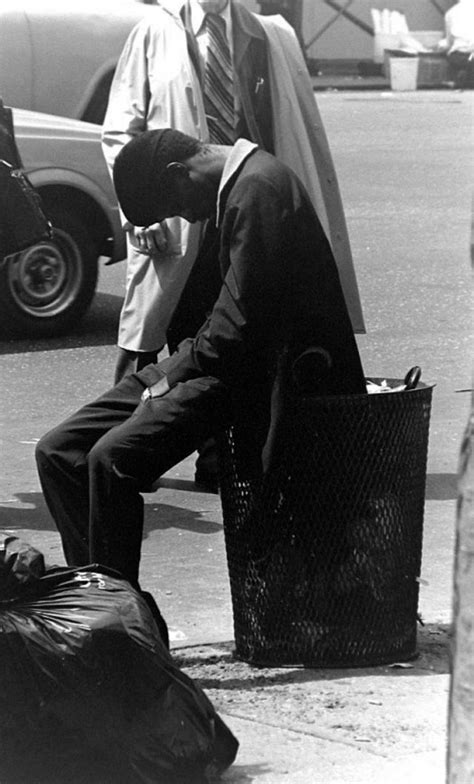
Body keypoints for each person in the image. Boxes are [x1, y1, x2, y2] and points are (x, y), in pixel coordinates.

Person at [35, 129, 366, 602]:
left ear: (179, 173)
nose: (183, 218)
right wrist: (165, 373)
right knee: (58, 450)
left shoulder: (258, 189)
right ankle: (98, 602)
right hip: (208, 356)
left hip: (246, 372)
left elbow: (237, 332)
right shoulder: (237, 187)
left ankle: (127, 623)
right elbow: (216, 324)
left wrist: (167, 378)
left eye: (174, 207)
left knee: (113, 459)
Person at [101, 0, 364, 384]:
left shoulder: (269, 34)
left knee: (242, 346)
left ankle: (227, 444)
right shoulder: (155, 31)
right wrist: (138, 216)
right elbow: (120, 132)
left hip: (244, 215)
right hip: (177, 216)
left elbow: (295, 130)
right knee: (156, 351)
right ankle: (123, 439)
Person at [438, 0, 474, 87]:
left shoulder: (450, 13)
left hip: (459, 56)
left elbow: (449, 43)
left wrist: (440, 46)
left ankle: (461, 79)